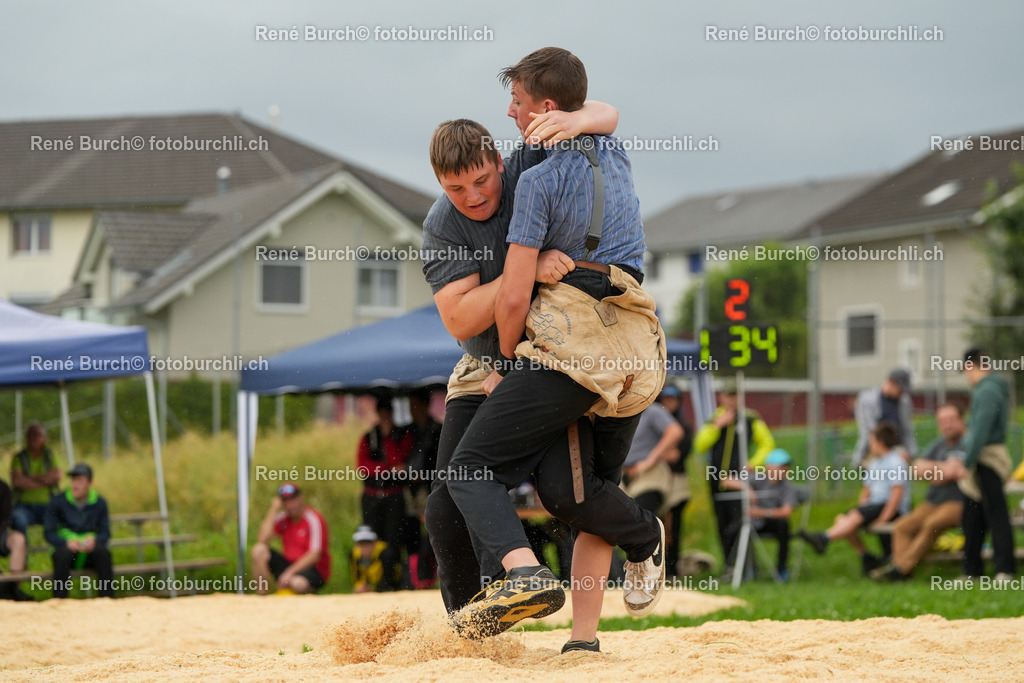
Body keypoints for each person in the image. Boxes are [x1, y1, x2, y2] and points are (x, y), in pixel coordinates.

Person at [444, 47, 668, 640]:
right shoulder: (613, 152)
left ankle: (538, 573)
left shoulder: (538, 181)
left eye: (517, 102)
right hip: (638, 338)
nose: (510, 112)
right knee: (584, 491)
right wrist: (580, 118)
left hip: (575, 341)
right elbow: (608, 114)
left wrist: (508, 361)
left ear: (545, 108)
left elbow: (514, 298)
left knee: (473, 468)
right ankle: (585, 638)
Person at [871, 404, 967, 581]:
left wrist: (933, 470)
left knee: (932, 523)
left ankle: (900, 569)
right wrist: (944, 469)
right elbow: (916, 468)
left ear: (962, 420)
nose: (947, 425)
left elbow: (961, 471)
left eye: (951, 420)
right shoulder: (938, 445)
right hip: (932, 502)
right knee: (902, 526)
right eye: (942, 422)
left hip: (958, 502)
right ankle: (904, 572)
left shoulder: (969, 443)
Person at [799, 423, 910, 575]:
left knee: (852, 519)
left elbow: (897, 493)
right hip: (874, 505)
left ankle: (823, 538)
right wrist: (860, 509)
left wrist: (884, 517)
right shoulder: (875, 463)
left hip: (889, 507)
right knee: (843, 519)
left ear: (880, 443)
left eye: (871, 442)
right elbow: (867, 490)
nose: (870, 446)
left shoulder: (896, 462)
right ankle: (866, 556)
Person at [694, 388, 775, 577]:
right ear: (721, 397)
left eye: (736, 395)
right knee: (722, 525)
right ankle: (730, 567)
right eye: (729, 395)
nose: (732, 400)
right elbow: (700, 444)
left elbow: (767, 444)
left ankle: (746, 566)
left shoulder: (750, 418)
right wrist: (717, 426)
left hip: (739, 480)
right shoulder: (714, 418)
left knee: (740, 523)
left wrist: (753, 464)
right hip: (717, 482)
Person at [951, 348, 1016, 581]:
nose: (966, 377)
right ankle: (972, 570)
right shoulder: (987, 388)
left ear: (972, 366)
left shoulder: (987, 390)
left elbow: (980, 430)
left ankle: (1004, 569)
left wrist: (965, 461)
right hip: (978, 459)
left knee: (996, 514)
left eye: (966, 371)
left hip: (987, 459)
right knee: (972, 515)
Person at [44, 463, 114, 598]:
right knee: (62, 554)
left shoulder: (100, 503)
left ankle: (107, 600)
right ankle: (59, 601)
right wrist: (66, 542)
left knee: (103, 553)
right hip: (66, 550)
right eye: (73, 480)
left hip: (89, 552)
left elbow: (105, 533)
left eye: (80, 480)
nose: (75, 484)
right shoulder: (57, 502)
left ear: (90, 483)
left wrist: (95, 541)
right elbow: (49, 533)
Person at [357, 398, 413, 558]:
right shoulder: (368, 437)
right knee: (372, 538)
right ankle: (376, 575)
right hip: (371, 497)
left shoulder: (402, 435)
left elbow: (399, 461)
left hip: (394, 495)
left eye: (387, 415)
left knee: (394, 539)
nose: (385, 418)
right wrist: (385, 468)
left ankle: (393, 577)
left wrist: (388, 437)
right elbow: (362, 466)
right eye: (382, 415)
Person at [251, 483, 330, 594]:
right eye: (285, 501)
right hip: (289, 565)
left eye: (292, 500)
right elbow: (262, 539)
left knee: (297, 583)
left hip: (312, 569)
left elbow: (315, 555)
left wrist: (289, 573)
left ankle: (309, 597)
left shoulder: (313, 519)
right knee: (259, 550)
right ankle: (262, 595)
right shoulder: (284, 518)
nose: (290, 505)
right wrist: (273, 509)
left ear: (301, 498)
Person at [654, 385, 693, 578]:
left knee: (673, 528)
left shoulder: (684, 426)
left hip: (676, 482)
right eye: (666, 399)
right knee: (656, 525)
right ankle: (656, 570)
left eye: (673, 399)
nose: (669, 403)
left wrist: (657, 454)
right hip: (655, 481)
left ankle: (672, 570)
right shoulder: (654, 422)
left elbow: (675, 456)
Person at [748, 449, 799, 581]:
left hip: (773, 525)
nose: (784, 470)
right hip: (753, 524)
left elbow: (786, 512)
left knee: (783, 524)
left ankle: (781, 568)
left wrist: (762, 512)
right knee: (734, 529)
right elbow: (726, 480)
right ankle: (747, 568)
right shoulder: (757, 479)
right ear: (768, 467)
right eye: (780, 467)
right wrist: (747, 489)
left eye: (786, 467)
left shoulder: (788, 487)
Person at [852, 368, 916, 467]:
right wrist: (891, 453)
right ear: (891, 382)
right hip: (874, 449)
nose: (902, 393)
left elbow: (906, 429)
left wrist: (911, 454)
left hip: (899, 449)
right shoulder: (867, 400)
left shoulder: (904, 401)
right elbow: (870, 430)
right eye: (900, 389)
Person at [9, 422, 61, 534]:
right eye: (30, 435)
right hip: (23, 506)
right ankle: (21, 550)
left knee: (60, 519)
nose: (33, 439)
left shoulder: (50, 455)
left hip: (48, 505)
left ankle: (59, 551)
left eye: (37, 435)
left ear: (44, 438)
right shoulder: (19, 457)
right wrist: (45, 480)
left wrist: (30, 477)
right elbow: (17, 482)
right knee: (17, 519)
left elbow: (56, 477)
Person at [0, 476, 31, 600]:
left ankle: (13, 588)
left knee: (18, 539)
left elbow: (7, 518)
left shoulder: (3, 487)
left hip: (0, 533)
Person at [349, 525, 399, 593]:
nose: (365, 547)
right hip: (373, 587)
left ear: (375, 542)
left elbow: (389, 581)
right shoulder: (353, 555)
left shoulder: (386, 554)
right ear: (356, 544)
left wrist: (372, 589)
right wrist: (360, 587)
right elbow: (357, 578)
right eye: (361, 543)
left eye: (368, 542)